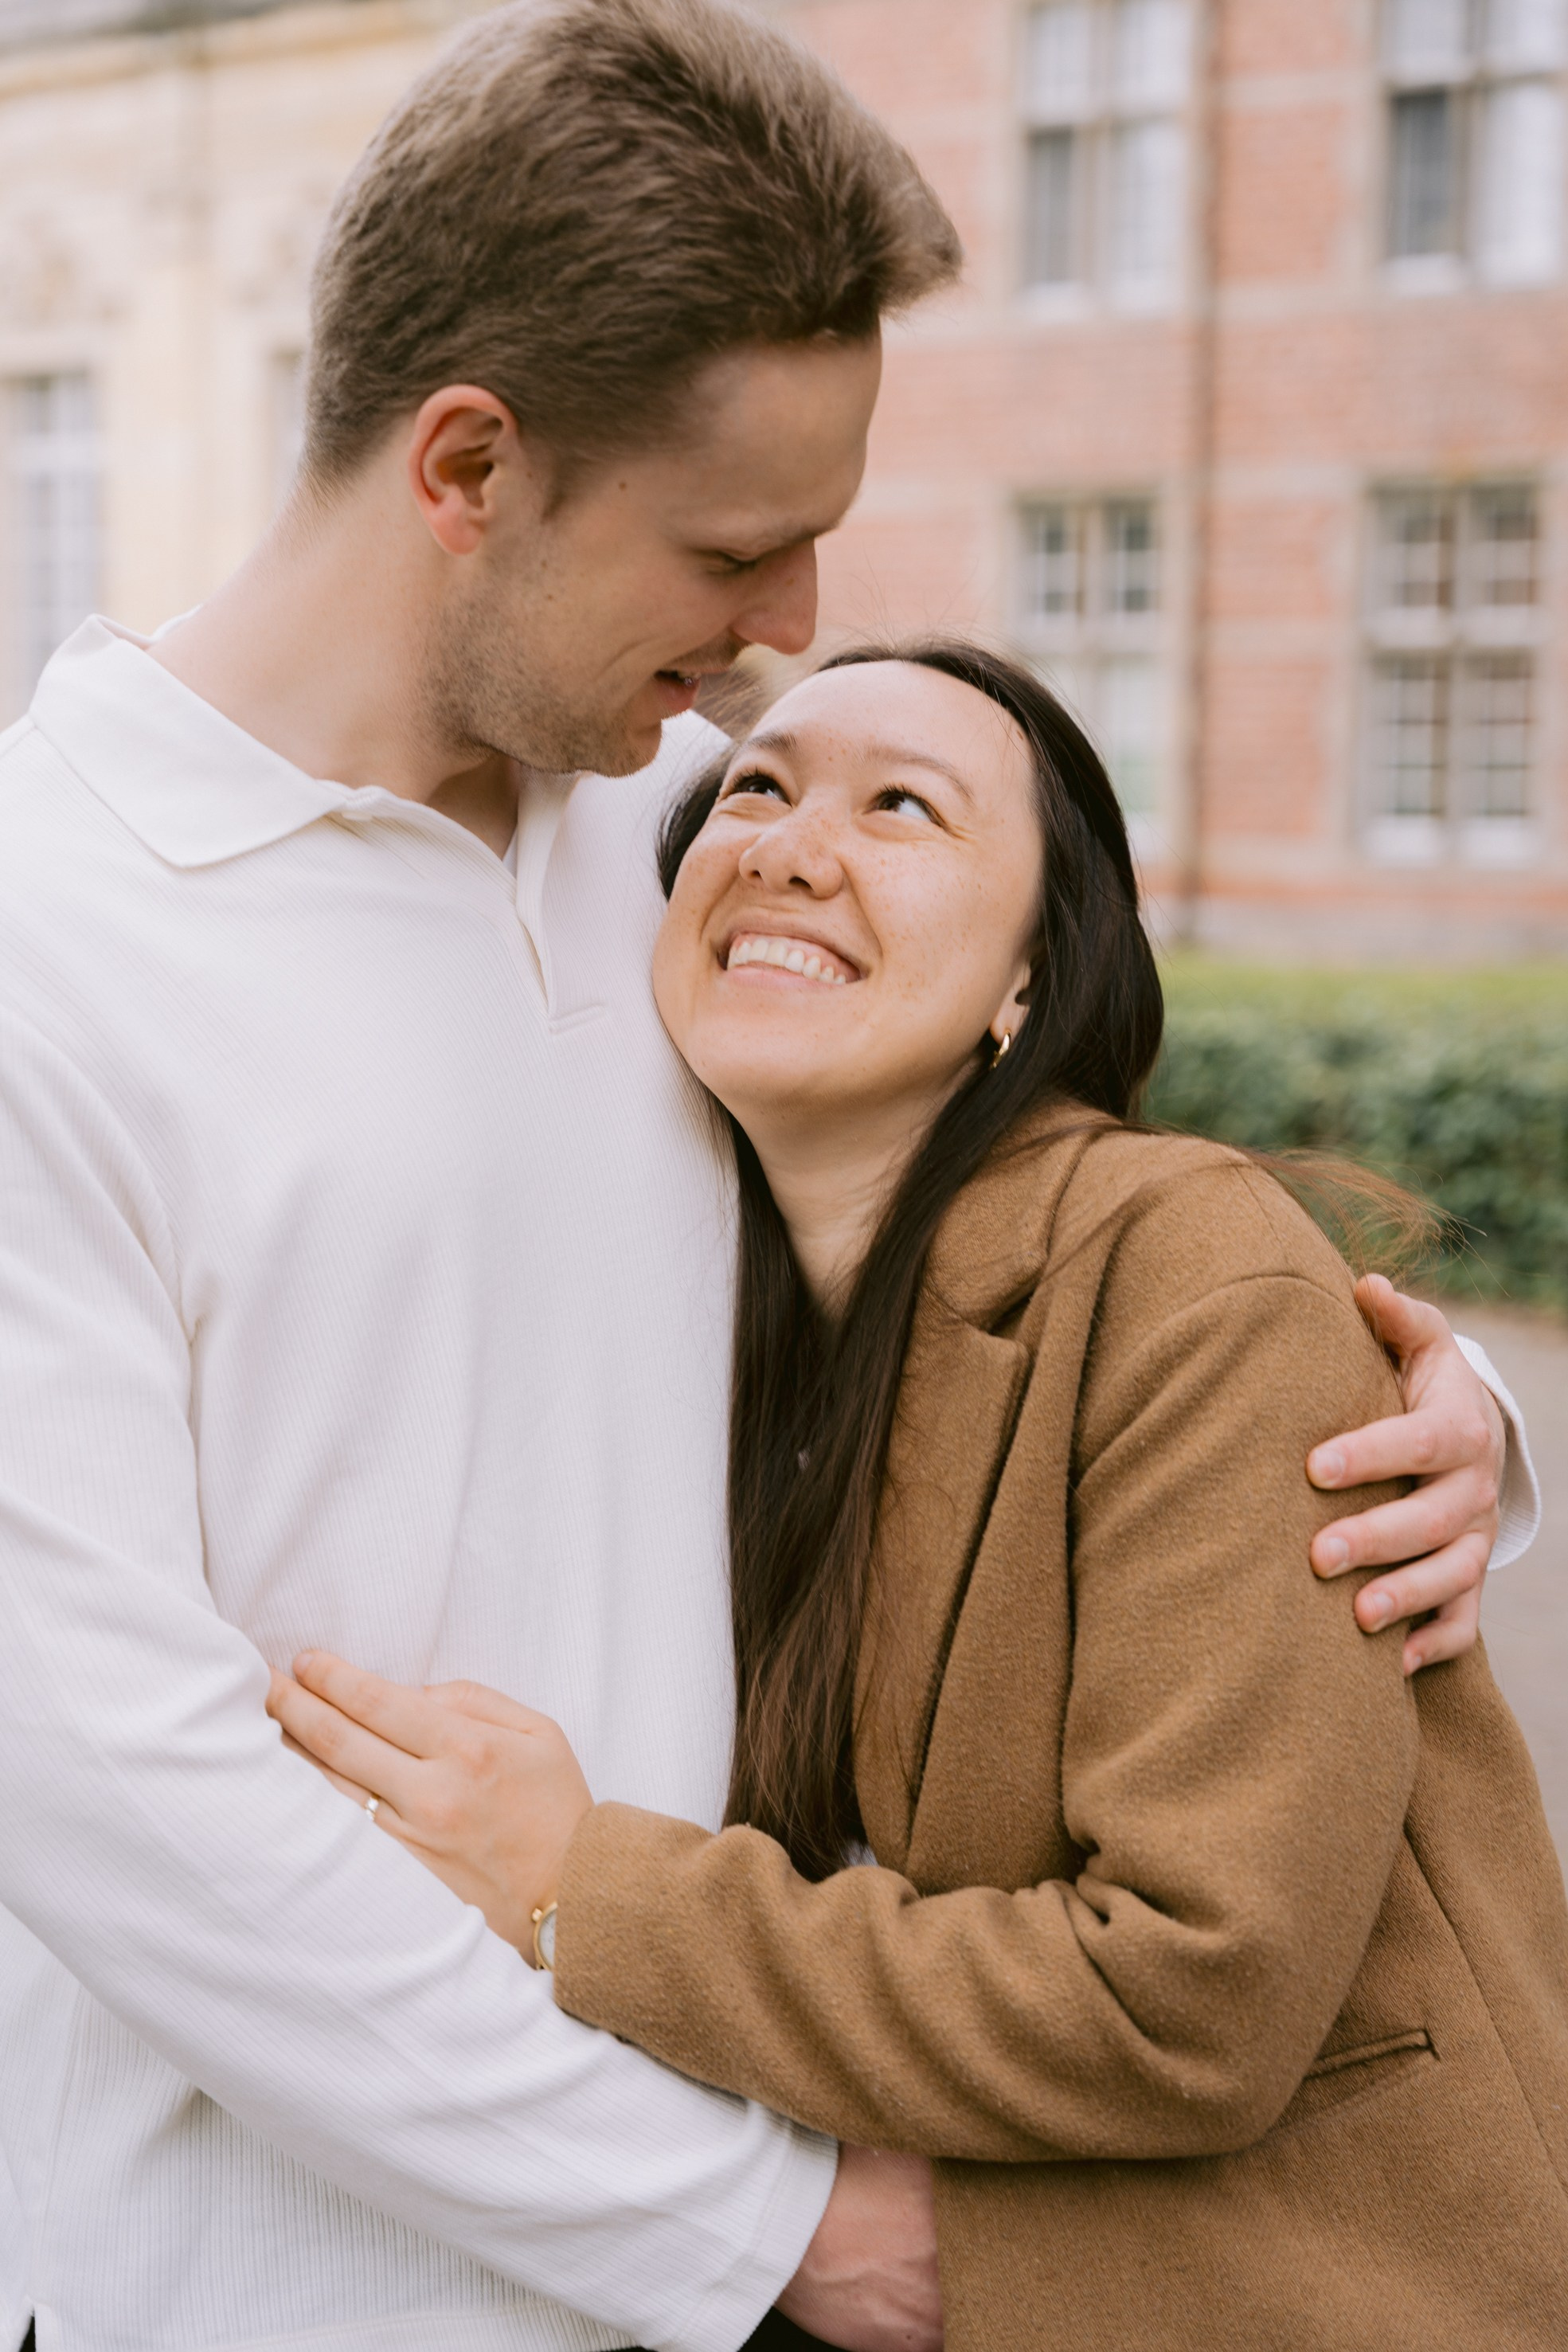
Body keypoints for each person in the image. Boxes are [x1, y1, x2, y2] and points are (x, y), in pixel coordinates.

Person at [0, 2, 1531, 2349]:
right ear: (468, 467)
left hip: (726, 2236)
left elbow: (1046, 1176)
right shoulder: (57, 938)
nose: (794, 637)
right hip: (286, 2288)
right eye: (738, 546)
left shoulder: (678, 848)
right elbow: (134, 1815)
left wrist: (1444, 1440)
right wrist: (776, 2236)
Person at [271, 644, 1568, 2352]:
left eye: (904, 808)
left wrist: (590, 1888)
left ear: (1025, 981)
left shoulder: (1178, 1269)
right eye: (756, 788)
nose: (793, 845)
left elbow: (1199, 1989)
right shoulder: (672, 1310)